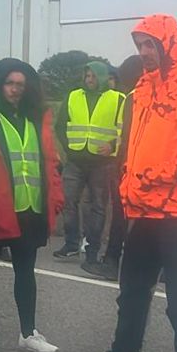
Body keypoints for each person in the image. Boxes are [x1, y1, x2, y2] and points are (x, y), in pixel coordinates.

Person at [64, 15, 177, 352]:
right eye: (140, 44)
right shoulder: (141, 91)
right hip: (143, 210)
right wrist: (130, 181)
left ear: (168, 44)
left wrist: (149, 178)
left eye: (151, 44)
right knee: (131, 295)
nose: (144, 51)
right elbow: (135, 148)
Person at [0, 59, 63, 352]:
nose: (15, 90)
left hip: (29, 208)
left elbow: (48, 162)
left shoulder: (36, 119)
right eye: (10, 83)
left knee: (26, 273)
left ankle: (28, 332)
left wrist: (55, 197)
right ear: (0, 85)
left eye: (20, 85)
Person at [54, 60, 123, 263]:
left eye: (93, 76)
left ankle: (92, 248)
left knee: (99, 206)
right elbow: (60, 125)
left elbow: (124, 129)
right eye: (87, 76)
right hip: (75, 159)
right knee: (68, 202)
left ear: (102, 76)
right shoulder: (73, 96)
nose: (89, 80)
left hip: (101, 162)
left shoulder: (118, 99)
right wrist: (68, 147)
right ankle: (71, 243)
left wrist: (112, 146)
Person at [87, 54, 146, 281]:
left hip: (128, 168)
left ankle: (111, 261)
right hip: (146, 169)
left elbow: (128, 136)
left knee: (120, 218)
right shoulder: (152, 97)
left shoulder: (133, 97)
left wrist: (118, 166)